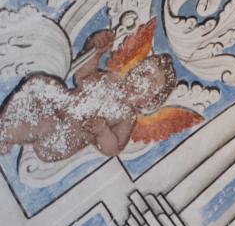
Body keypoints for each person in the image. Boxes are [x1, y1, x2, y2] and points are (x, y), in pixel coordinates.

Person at [0, 27, 179, 162]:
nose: (143, 81)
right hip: (62, 103)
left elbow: (113, 148)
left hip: (66, 136)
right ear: (134, 70)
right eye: (144, 72)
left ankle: (7, 135)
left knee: (45, 123)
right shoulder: (109, 79)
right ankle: (6, 124)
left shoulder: (127, 115)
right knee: (39, 84)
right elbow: (82, 76)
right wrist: (95, 49)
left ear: (149, 101)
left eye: (152, 84)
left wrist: (103, 131)